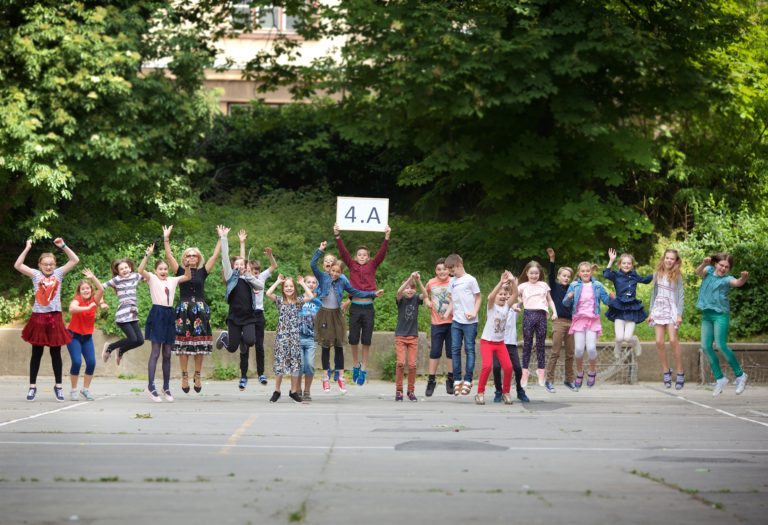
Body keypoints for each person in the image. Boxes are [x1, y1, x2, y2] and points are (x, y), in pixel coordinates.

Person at [310, 241, 383, 394]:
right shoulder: (323, 277)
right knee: (325, 346)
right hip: (324, 313)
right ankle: (325, 377)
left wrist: (372, 293)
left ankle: (341, 378)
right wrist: (320, 250)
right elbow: (313, 264)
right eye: (332, 270)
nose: (334, 273)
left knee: (339, 346)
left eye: (338, 271)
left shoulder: (343, 280)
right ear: (329, 269)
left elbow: (355, 291)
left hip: (337, 314)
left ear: (341, 272)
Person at [15, 238, 80, 401]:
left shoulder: (58, 274)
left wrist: (63, 246)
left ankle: (58, 387)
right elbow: (18, 265)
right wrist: (27, 248)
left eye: (51, 264)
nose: (49, 267)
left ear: (55, 265)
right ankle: (32, 387)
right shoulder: (35, 275)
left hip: (55, 317)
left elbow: (75, 260)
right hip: (38, 317)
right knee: (36, 353)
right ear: (40, 265)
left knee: (55, 353)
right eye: (45, 264)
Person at [163, 225, 221, 394]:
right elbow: (169, 256)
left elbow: (215, 256)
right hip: (183, 310)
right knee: (183, 345)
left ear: (198, 258)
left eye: (194, 255)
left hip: (200, 310)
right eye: (188, 255)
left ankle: (197, 375)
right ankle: (184, 376)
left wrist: (221, 238)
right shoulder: (180, 270)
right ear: (184, 258)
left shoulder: (203, 271)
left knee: (199, 344)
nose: (191, 257)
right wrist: (166, 238)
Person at [334, 223, 391, 386]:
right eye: (359, 254)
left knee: (366, 340)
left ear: (368, 257)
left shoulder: (372, 265)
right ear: (356, 256)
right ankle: (356, 364)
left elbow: (381, 254)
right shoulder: (351, 265)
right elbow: (343, 252)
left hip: (368, 308)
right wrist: (337, 236)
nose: (361, 256)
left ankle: (364, 367)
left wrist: (386, 237)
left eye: (364, 255)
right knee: (353, 338)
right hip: (355, 307)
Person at [137, 244, 191, 402]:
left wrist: (187, 266)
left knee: (167, 353)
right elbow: (140, 270)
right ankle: (150, 386)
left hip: (169, 314)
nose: (163, 271)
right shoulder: (152, 279)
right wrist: (147, 255)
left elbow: (187, 277)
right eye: (160, 269)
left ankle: (166, 387)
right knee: (155, 352)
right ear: (155, 271)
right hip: (157, 314)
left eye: (165, 269)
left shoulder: (173, 280)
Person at [214, 227, 265, 391]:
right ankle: (225, 337)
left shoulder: (249, 278)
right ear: (232, 266)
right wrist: (224, 238)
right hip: (234, 318)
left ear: (245, 266)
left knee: (250, 341)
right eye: (236, 264)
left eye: (241, 264)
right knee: (232, 348)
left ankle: (243, 338)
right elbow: (225, 257)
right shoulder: (230, 277)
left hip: (249, 317)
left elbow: (260, 286)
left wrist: (249, 274)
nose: (239, 266)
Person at [695, 254, 749, 396]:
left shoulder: (727, 279)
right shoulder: (708, 270)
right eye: (721, 265)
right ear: (715, 264)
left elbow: (737, 283)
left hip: (720, 315)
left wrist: (743, 278)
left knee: (720, 345)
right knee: (705, 346)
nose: (723, 268)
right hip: (707, 314)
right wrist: (703, 263)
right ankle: (720, 378)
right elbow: (698, 272)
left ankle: (740, 375)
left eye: (727, 267)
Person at [563, 262, 613, 389]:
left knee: (591, 349)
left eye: (588, 271)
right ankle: (580, 372)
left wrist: (612, 298)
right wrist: (568, 297)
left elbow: (606, 301)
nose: (585, 273)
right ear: (579, 273)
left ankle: (592, 371)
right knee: (579, 350)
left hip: (592, 320)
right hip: (579, 320)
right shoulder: (574, 285)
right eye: (583, 271)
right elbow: (565, 303)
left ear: (591, 272)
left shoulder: (597, 285)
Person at [265, 274, 314, 403]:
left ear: (294, 288)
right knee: (280, 364)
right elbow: (268, 293)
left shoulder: (298, 301)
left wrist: (302, 283)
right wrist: (277, 281)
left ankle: (293, 391)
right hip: (282, 338)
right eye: (286, 286)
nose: (288, 288)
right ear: (283, 288)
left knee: (295, 364)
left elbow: (310, 296)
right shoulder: (280, 300)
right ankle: (277, 391)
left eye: (291, 286)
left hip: (294, 338)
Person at [239, 229, 278, 386]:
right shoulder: (244, 278)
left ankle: (261, 373)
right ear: (248, 270)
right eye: (252, 271)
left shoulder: (261, 277)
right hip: (245, 314)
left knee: (259, 345)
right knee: (245, 345)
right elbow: (242, 260)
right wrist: (242, 243)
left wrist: (270, 255)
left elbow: (274, 266)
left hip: (258, 314)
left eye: (257, 271)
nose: (255, 273)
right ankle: (243, 375)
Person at [476, 271, 517, 405]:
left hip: (500, 343)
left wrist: (512, 281)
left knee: (508, 367)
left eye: (505, 294)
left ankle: (506, 393)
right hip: (487, 342)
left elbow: (515, 294)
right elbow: (490, 297)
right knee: (487, 366)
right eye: (500, 294)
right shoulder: (491, 307)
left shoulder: (507, 306)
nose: (503, 296)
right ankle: (480, 393)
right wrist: (501, 282)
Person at [515, 261, 558, 388]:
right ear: (527, 273)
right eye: (531, 273)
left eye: (536, 273)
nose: (534, 275)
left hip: (541, 316)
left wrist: (554, 312)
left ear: (539, 274)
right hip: (528, 315)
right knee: (527, 344)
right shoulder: (522, 286)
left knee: (540, 344)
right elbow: (515, 297)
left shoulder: (543, 285)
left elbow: (550, 300)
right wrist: (518, 303)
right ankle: (525, 372)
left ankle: (541, 370)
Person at [603, 248, 652, 358]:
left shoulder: (634, 275)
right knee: (619, 338)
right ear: (620, 264)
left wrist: (657, 274)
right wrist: (611, 260)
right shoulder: (616, 275)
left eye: (629, 263)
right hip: (619, 307)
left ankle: (635, 341)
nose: (626, 265)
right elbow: (606, 274)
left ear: (632, 265)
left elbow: (645, 280)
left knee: (627, 338)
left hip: (631, 308)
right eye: (624, 263)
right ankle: (617, 347)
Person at [66, 268, 106, 401]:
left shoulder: (95, 299)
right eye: (83, 289)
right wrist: (87, 308)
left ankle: (85, 390)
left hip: (87, 337)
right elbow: (72, 308)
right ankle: (73, 390)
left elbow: (101, 289)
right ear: (79, 291)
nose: (85, 290)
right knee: (77, 362)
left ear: (91, 289)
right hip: (73, 336)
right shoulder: (77, 299)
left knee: (91, 363)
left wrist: (93, 277)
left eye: (87, 288)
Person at [444, 253, 481, 396]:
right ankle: (457, 379)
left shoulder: (471, 280)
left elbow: (478, 298)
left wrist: (474, 312)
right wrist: (447, 313)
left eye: (452, 269)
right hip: (456, 321)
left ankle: (468, 379)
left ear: (459, 265)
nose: (451, 273)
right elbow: (452, 301)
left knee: (469, 349)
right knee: (455, 349)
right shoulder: (452, 282)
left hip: (470, 322)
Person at [648, 249, 685, 389]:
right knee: (659, 341)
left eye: (672, 259)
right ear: (663, 258)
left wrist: (679, 314)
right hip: (658, 308)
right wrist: (651, 312)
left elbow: (680, 296)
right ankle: (666, 370)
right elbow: (654, 294)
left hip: (671, 309)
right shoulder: (657, 273)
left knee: (673, 340)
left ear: (676, 261)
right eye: (667, 258)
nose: (669, 260)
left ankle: (680, 371)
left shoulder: (677, 275)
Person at [101, 256, 144, 365]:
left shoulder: (135, 276)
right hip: (122, 316)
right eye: (121, 269)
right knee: (133, 339)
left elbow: (148, 278)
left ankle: (121, 350)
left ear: (130, 268)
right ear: (118, 272)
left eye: (126, 267)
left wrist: (147, 256)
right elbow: (101, 287)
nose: (124, 270)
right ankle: (110, 347)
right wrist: (102, 302)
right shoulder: (117, 280)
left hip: (133, 315)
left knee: (140, 341)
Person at [546, 248, 576, 393]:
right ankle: (549, 380)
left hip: (571, 323)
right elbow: (551, 275)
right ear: (559, 276)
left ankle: (569, 379)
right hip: (558, 322)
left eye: (568, 276)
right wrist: (552, 259)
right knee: (555, 352)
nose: (566, 278)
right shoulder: (554, 287)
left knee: (570, 353)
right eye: (564, 275)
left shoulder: (572, 289)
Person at [494, 282, 529, 403]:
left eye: (508, 294)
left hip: (511, 344)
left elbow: (519, 300)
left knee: (518, 368)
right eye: (503, 294)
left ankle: (520, 390)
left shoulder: (515, 308)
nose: (506, 296)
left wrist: (514, 285)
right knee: (496, 367)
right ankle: (498, 391)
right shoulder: (495, 308)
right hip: (497, 342)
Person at [393, 272, 426, 401]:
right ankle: (399, 390)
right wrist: (409, 279)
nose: (409, 290)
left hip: (413, 337)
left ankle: (411, 391)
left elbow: (425, 295)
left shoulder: (416, 299)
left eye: (412, 288)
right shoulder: (400, 299)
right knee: (401, 363)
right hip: (400, 336)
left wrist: (418, 281)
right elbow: (398, 292)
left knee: (412, 365)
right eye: (407, 288)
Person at [424, 258, 454, 396]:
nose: (442, 272)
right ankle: (431, 380)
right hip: (437, 323)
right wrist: (427, 301)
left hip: (453, 322)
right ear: (435, 271)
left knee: (451, 351)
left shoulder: (454, 281)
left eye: (445, 269)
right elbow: (425, 294)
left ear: (449, 270)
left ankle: (451, 379)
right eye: (439, 269)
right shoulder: (431, 282)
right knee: (435, 351)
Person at [298, 274, 322, 401]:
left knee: (310, 365)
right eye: (309, 282)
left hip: (311, 338)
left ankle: (307, 391)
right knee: (299, 366)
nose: (311, 284)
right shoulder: (299, 299)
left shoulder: (318, 302)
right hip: (298, 337)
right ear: (304, 283)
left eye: (314, 282)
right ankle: (297, 390)